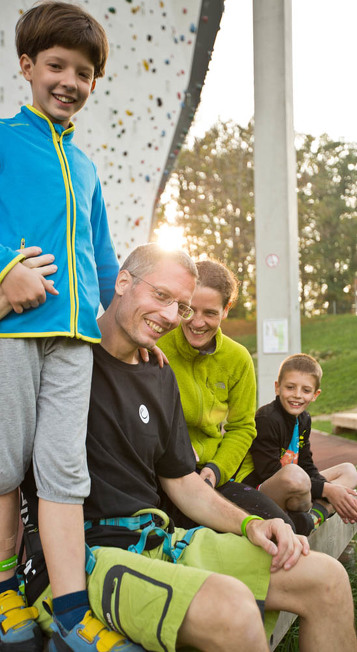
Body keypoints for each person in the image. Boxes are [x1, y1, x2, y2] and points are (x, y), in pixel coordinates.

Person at [19, 244, 357, 652]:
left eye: (180, 306)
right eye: (162, 296)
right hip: (85, 555)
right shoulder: (60, 357)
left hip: (159, 539)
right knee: (234, 611)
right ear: (122, 282)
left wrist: (250, 523)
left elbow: (182, 481)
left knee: (326, 579)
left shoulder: (159, 374)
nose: (170, 317)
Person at [0, 3, 137, 650]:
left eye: (84, 72)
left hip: (74, 343)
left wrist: (122, 335)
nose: (69, 81)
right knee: (2, 472)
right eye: (56, 65)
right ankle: (4, 595)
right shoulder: (1, 140)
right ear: (27, 67)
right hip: (11, 334)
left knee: (62, 472)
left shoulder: (85, 168)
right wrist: (4, 273)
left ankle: (71, 605)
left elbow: (103, 258)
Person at [158, 258, 295, 529]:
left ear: (226, 309)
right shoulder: (156, 344)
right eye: (189, 310)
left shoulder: (238, 359)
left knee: (281, 527)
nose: (197, 322)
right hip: (165, 473)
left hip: (211, 474)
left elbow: (242, 427)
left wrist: (214, 472)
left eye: (209, 313)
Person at [237, 353, 357, 534]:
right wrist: (328, 490)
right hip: (258, 491)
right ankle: (322, 508)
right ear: (278, 388)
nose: (297, 396)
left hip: (296, 487)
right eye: (290, 387)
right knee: (294, 475)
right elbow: (268, 473)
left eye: (306, 390)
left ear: (315, 394)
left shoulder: (303, 419)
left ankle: (313, 515)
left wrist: (329, 488)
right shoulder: (267, 419)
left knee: (348, 470)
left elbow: (307, 464)